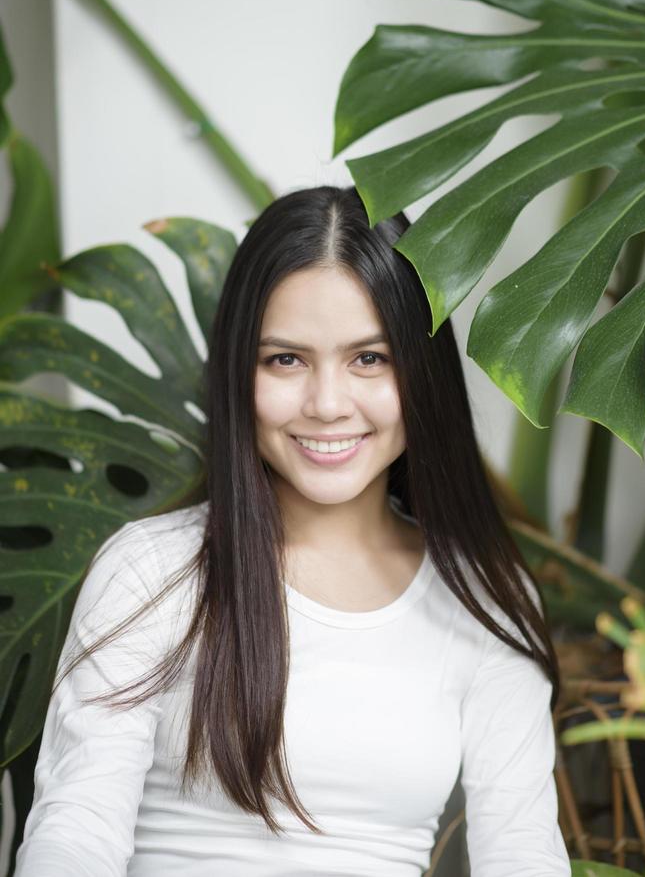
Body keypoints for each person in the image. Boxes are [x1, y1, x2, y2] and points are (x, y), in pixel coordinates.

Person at [14, 185, 571, 876]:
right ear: (238, 371)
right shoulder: (151, 571)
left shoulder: (483, 598)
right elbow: (76, 830)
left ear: (421, 372)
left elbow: (522, 854)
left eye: (370, 358)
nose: (328, 404)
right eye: (286, 359)